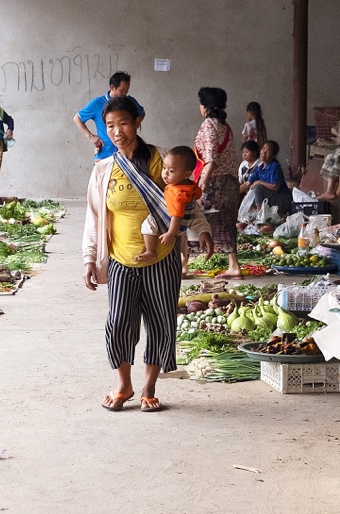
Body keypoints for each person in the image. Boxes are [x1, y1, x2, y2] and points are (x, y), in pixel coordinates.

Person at [82, 97, 214, 414]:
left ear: (138, 121)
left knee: (159, 323)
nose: (117, 131)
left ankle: (149, 386)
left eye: (123, 123)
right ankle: (124, 384)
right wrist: (89, 257)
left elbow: (184, 201)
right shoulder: (104, 169)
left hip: (162, 258)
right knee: (118, 323)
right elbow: (94, 216)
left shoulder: (160, 161)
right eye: (110, 125)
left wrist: (203, 230)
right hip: (120, 259)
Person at [194, 86, 242, 279]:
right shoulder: (224, 125)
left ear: (205, 106)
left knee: (195, 219)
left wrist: (203, 183)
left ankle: (185, 264)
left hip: (216, 183)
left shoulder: (209, 125)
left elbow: (211, 158)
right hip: (230, 182)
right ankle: (234, 266)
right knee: (228, 223)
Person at [138, 146, 200, 261]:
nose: (165, 174)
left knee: (148, 223)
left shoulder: (176, 194)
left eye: (171, 171)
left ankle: (150, 251)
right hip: (186, 222)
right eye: (164, 168)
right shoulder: (188, 185)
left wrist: (170, 234)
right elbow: (198, 194)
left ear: (186, 174)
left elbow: (177, 215)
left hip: (177, 225)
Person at [72, 71, 145, 161]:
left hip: (128, 155)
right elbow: (77, 118)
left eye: (126, 90)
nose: (124, 94)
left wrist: (134, 125)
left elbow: (142, 113)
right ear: (112, 87)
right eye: (122, 90)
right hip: (105, 155)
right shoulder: (97, 103)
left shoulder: (130, 101)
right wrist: (90, 136)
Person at [242, 140, 292, 215]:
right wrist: (233, 193)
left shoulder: (275, 167)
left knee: (258, 187)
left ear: (273, 155)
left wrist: (259, 182)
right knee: (253, 190)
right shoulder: (259, 168)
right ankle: (250, 215)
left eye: (268, 152)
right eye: (263, 149)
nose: (263, 153)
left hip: (283, 201)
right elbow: (247, 184)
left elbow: (276, 187)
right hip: (271, 199)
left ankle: (260, 215)